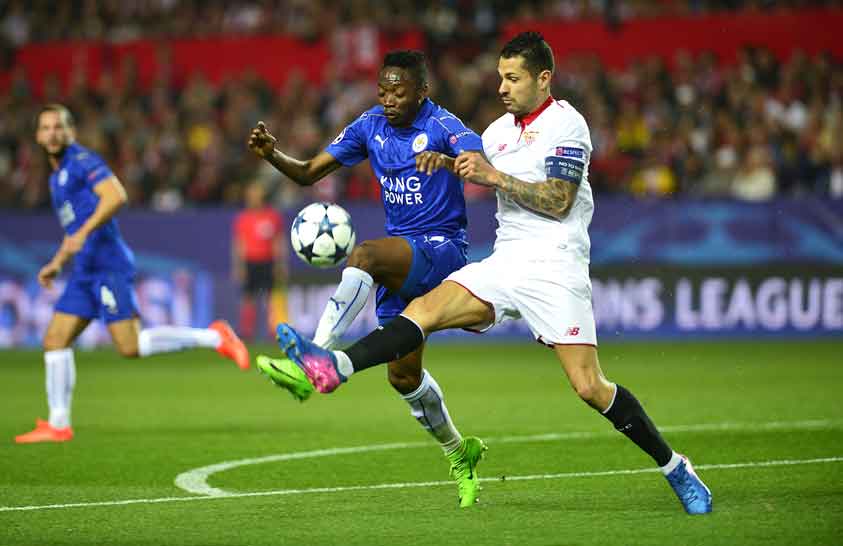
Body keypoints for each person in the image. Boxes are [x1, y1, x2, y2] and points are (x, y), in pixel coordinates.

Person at [266, 33, 713, 515]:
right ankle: (335, 367)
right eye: (500, 76)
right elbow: (472, 166)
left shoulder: (568, 124)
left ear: (543, 79)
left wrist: (492, 176)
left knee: (589, 387)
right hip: (505, 262)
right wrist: (445, 163)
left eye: (513, 78)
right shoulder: (497, 131)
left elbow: (559, 201)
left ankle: (674, 467)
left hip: (556, 265)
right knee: (422, 311)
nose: (502, 87)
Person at [248, 51, 488, 507]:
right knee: (404, 378)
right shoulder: (369, 126)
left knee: (366, 254)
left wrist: (452, 160)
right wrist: (271, 155)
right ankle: (461, 453)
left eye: (399, 91)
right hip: (404, 261)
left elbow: (477, 158)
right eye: (383, 90)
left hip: (442, 250)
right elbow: (306, 173)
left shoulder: (442, 125)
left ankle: (315, 359)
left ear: (422, 92)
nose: (389, 99)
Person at [15, 104, 249, 445]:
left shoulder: (82, 161)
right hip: (84, 270)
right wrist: (56, 262)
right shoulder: (55, 179)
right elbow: (73, 231)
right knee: (55, 339)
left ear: (71, 132)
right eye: (46, 127)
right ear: (38, 136)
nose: (52, 133)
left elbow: (116, 195)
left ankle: (216, 337)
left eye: (58, 127)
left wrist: (84, 234)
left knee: (130, 345)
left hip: (108, 264)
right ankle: (58, 424)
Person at [232, 181, 287, 341]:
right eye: (250, 195)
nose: (253, 198)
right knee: (248, 298)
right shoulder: (243, 218)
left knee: (272, 297)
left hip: (268, 261)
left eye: (256, 195)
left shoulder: (272, 216)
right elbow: (239, 244)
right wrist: (239, 265)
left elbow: (278, 241)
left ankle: (275, 331)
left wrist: (280, 264)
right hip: (250, 261)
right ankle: (247, 332)